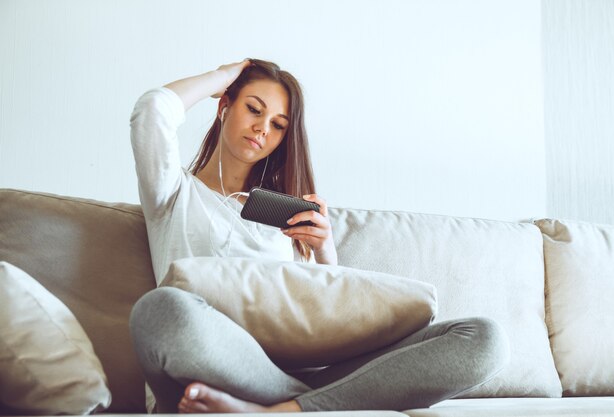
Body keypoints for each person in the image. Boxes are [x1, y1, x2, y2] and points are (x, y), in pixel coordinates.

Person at [128, 58, 509, 413]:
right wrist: (224, 76)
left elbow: (323, 322)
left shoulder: (288, 221)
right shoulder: (173, 192)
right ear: (224, 106)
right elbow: (152, 111)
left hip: (302, 371)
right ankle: (305, 406)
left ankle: (282, 411)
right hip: (217, 358)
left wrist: (325, 253)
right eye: (254, 109)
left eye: (278, 125)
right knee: (160, 310)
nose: (263, 128)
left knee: (483, 338)